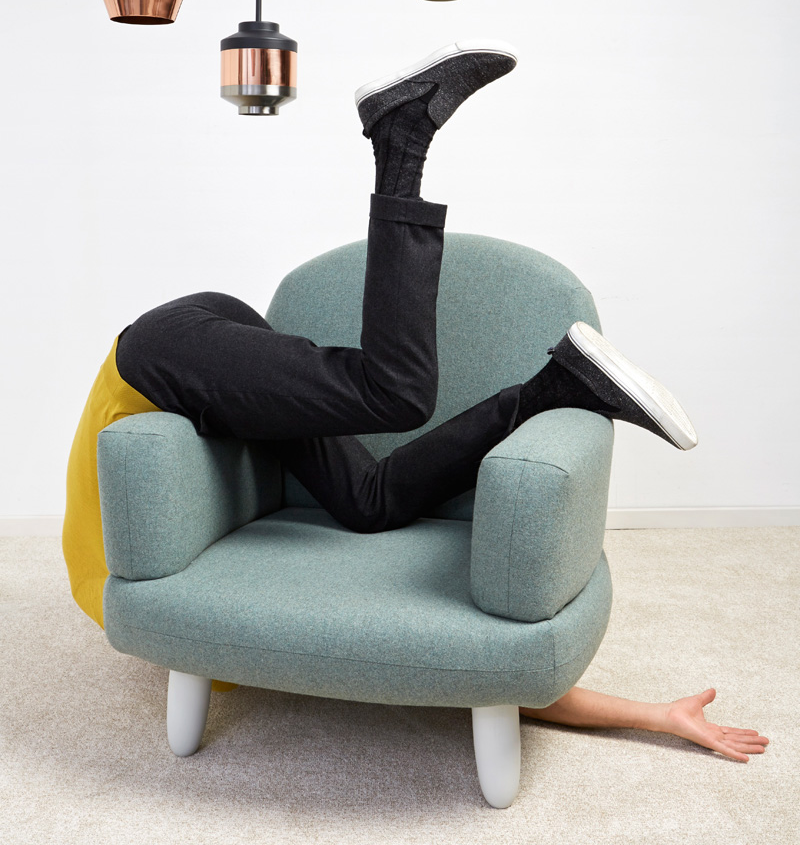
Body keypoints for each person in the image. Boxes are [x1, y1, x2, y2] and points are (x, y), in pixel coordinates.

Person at [62, 39, 768, 763]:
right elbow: (489, 670)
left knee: (395, 393)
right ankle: (559, 386)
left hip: (162, 354)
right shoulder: (173, 620)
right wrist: (655, 717)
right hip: (214, 402)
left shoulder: (118, 584)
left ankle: (400, 137)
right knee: (369, 503)